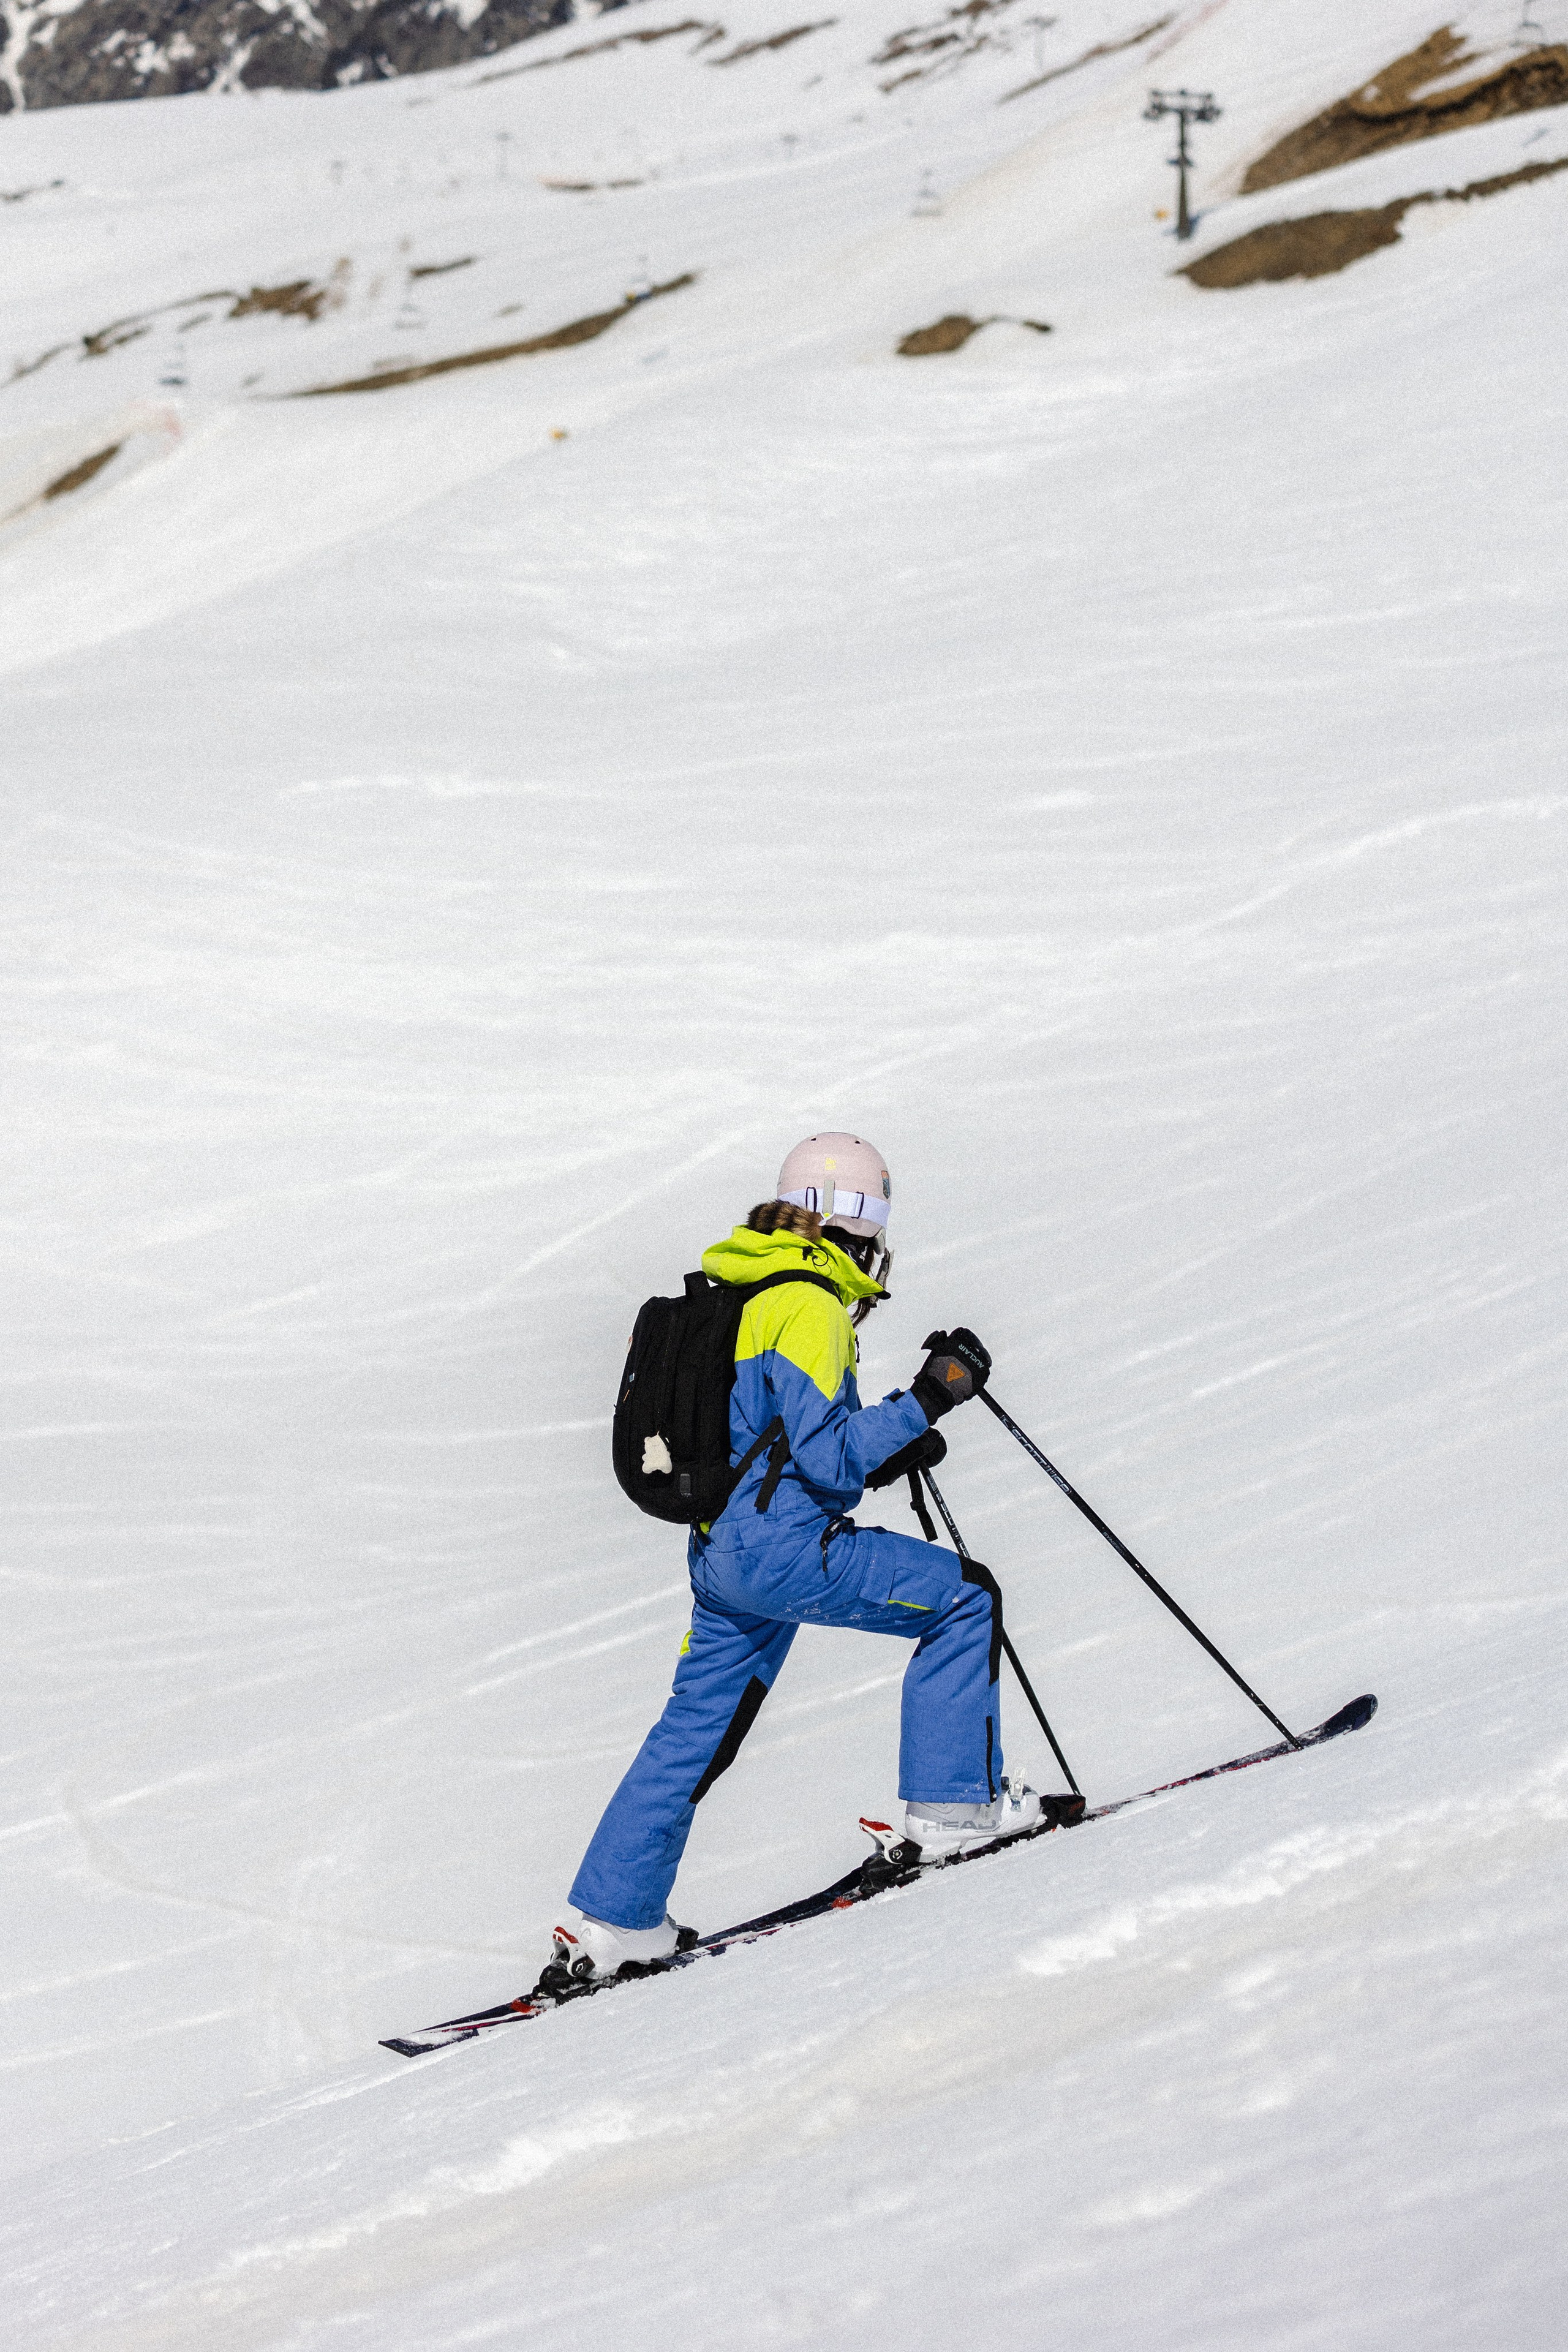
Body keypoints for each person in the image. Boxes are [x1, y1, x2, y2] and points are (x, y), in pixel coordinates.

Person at [556, 1132, 1042, 1979]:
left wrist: (888, 1445)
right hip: (787, 1552)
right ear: (862, 1223)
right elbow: (828, 1458)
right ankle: (953, 1811)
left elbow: (775, 1437)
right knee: (965, 1598)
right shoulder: (809, 1306)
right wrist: (931, 1397)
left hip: (722, 1557)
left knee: (695, 1727)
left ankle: (618, 1920)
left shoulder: (745, 1287)